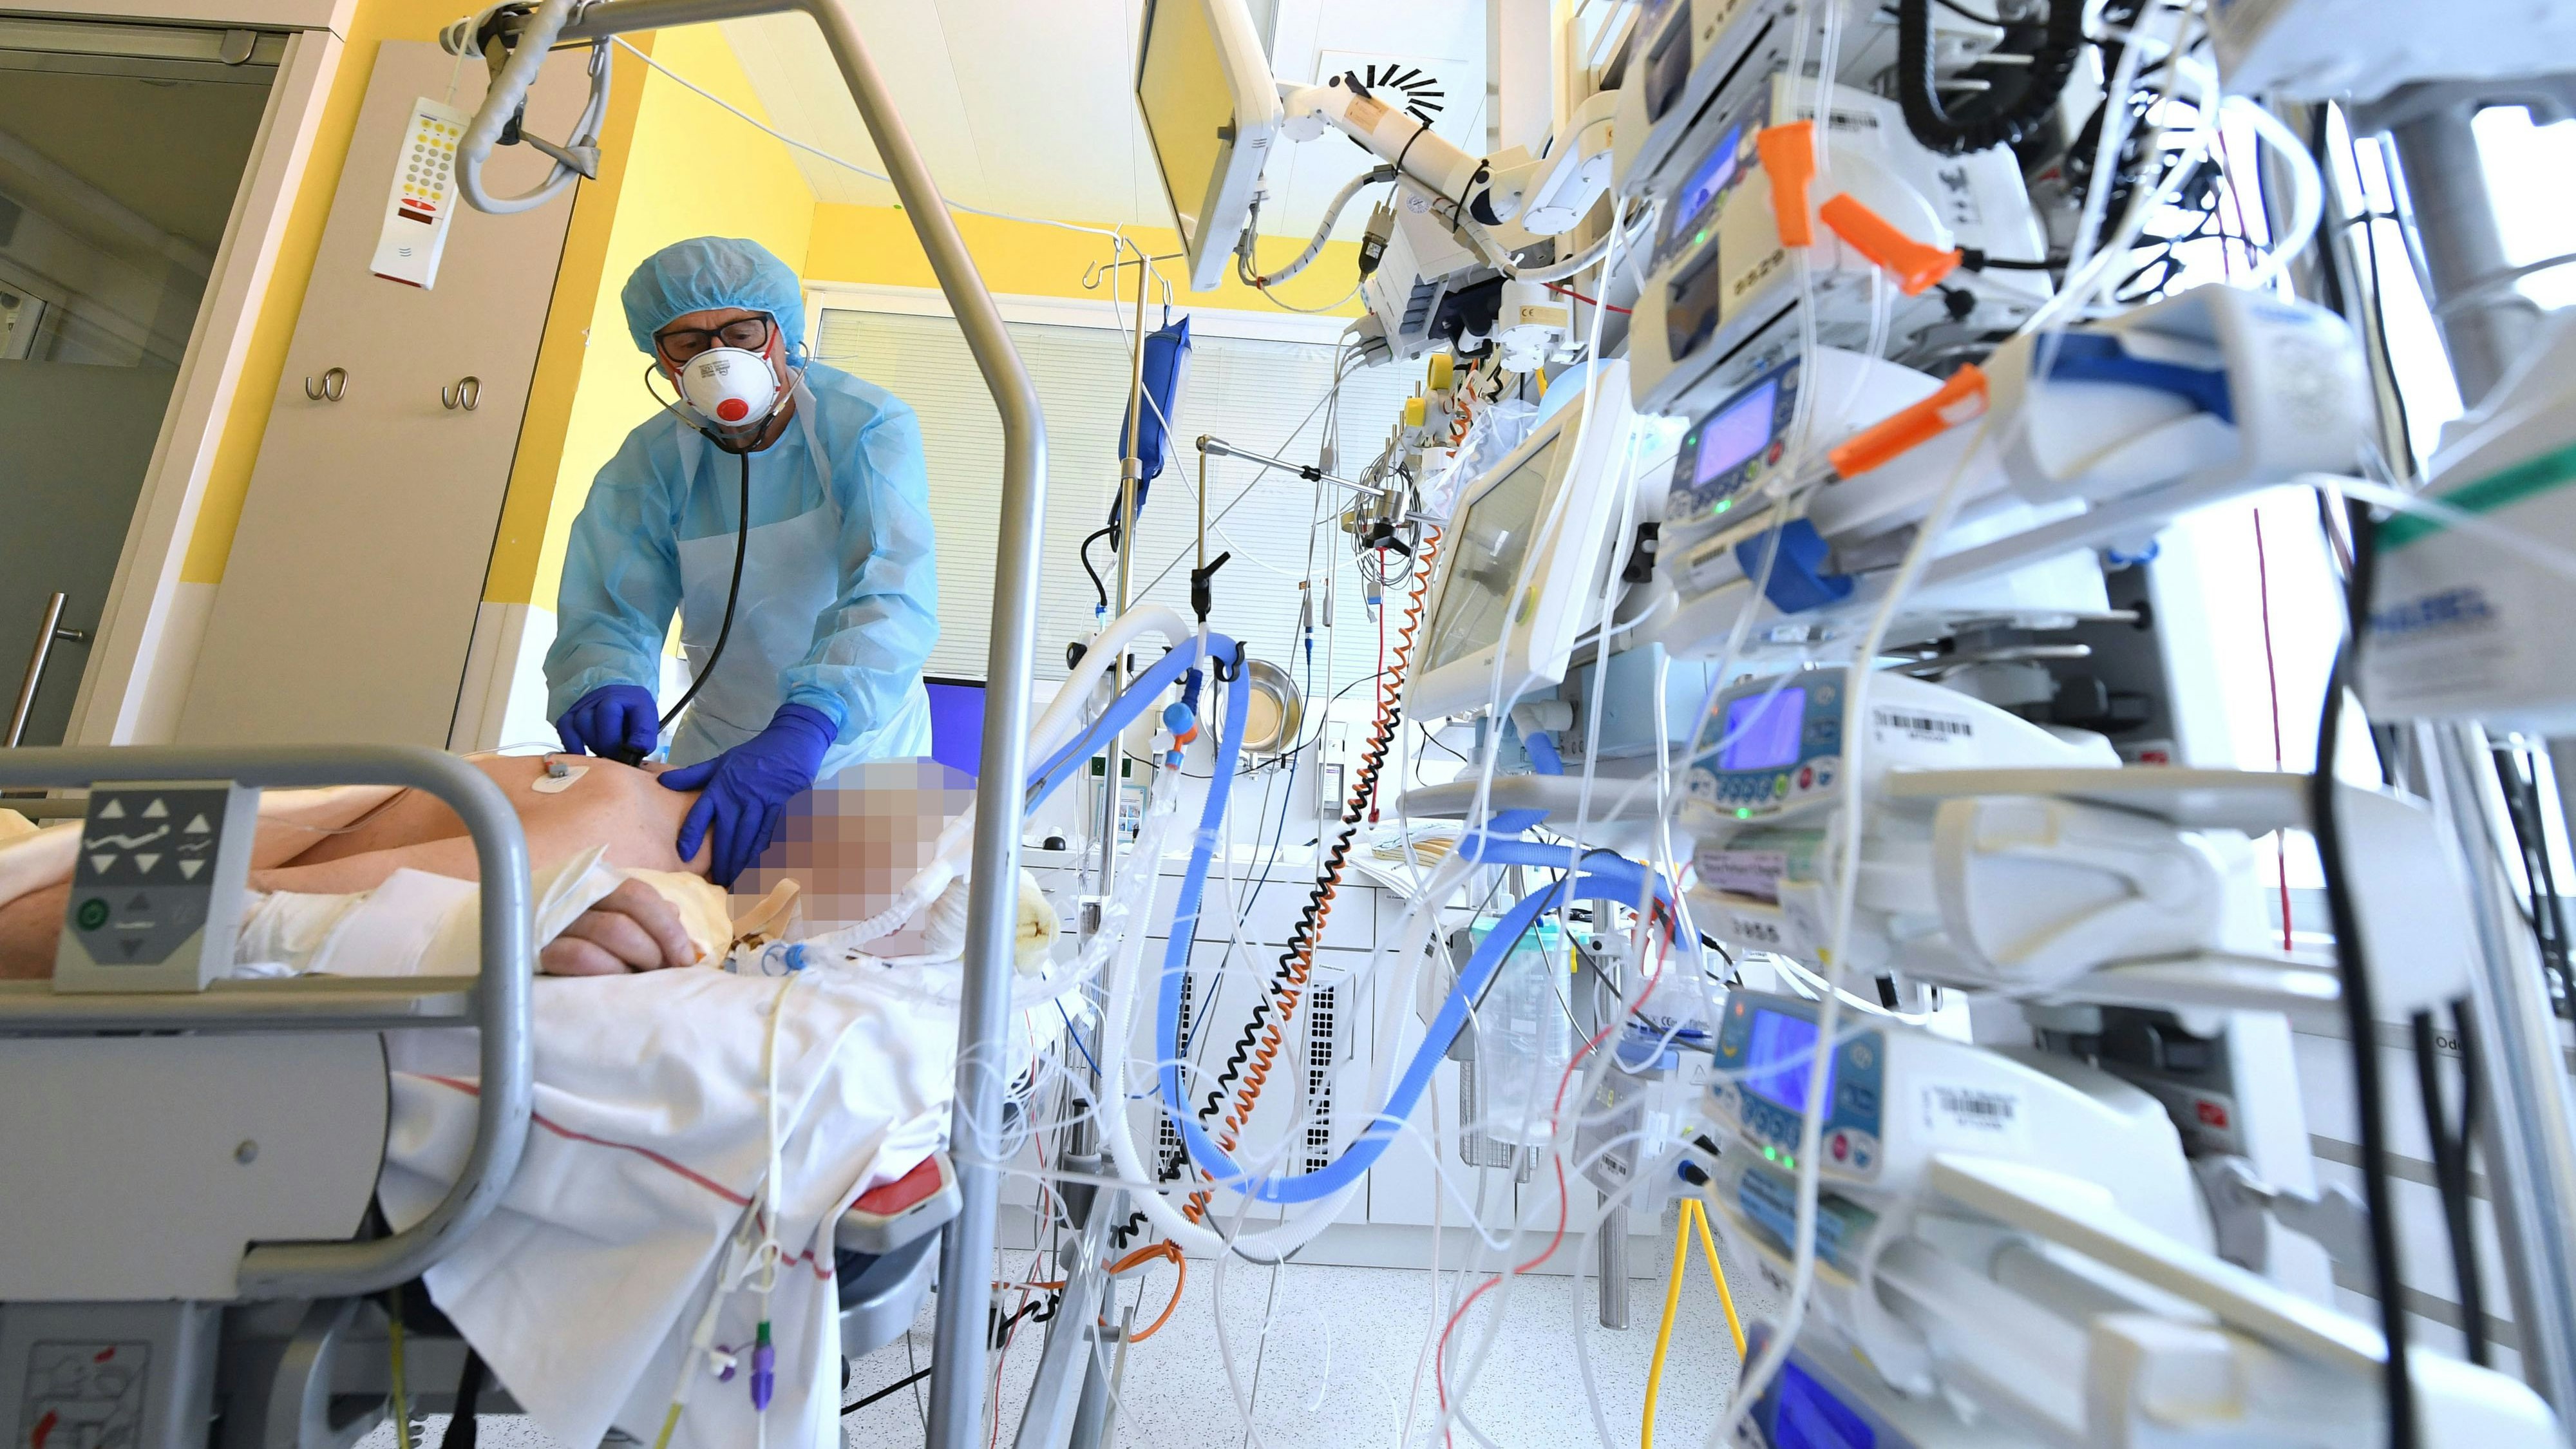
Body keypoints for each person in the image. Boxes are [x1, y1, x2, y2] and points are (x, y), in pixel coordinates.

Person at [546, 236, 938, 886]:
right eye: (688, 343)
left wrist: (811, 722)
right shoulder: (651, 461)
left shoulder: (864, 425)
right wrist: (602, 677)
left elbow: (891, 589)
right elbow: (609, 606)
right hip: (716, 748)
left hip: (859, 741)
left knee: (852, 934)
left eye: (740, 332)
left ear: (780, 333)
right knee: (711, 925)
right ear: (661, 359)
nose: (718, 359)